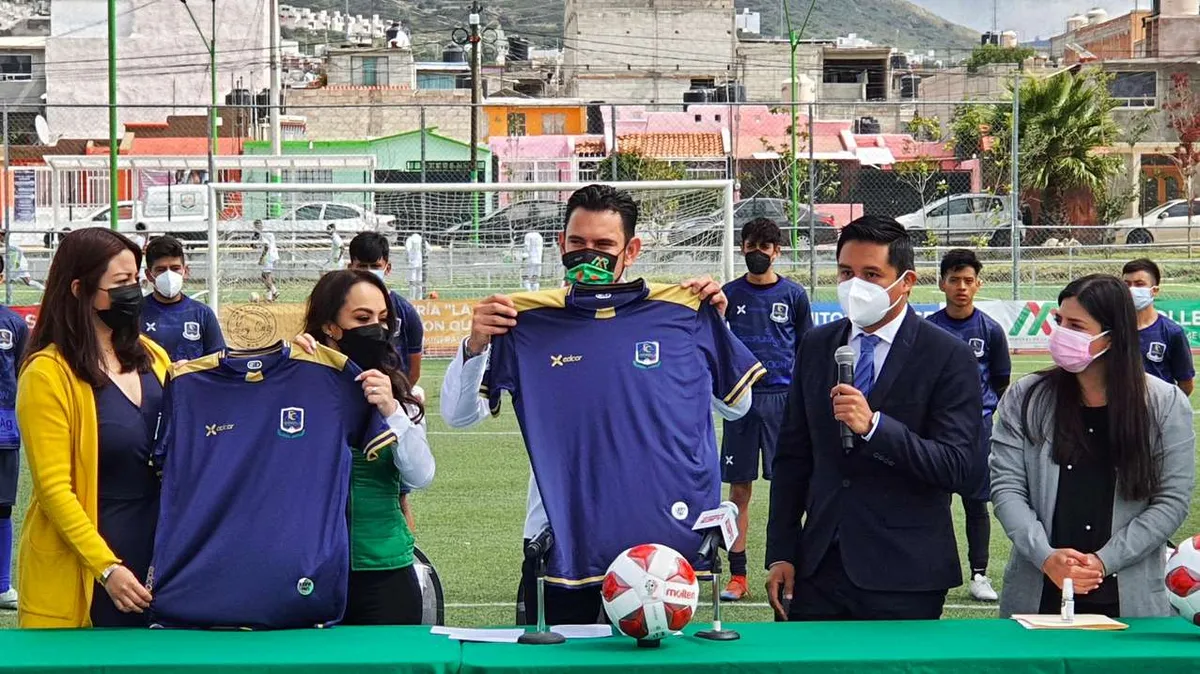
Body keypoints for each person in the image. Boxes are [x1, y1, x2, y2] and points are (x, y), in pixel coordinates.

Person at [441, 184, 741, 625]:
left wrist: (717, 328)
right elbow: (459, 415)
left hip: (659, 546)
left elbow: (737, 406)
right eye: (578, 242)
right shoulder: (526, 320)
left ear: (631, 250)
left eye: (603, 245)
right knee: (555, 659)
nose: (588, 255)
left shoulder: (681, 313)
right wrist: (476, 344)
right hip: (560, 541)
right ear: (561, 244)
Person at [765, 215, 983, 622]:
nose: (855, 286)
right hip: (817, 569)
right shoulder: (816, 346)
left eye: (871, 275)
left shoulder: (948, 356)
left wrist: (875, 428)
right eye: (846, 273)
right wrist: (781, 552)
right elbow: (792, 458)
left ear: (906, 281)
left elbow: (957, 467)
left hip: (905, 573)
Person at [991, 274, 1194, 618]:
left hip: (1129, 602)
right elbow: (1006, 487)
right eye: (1059, 321)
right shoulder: (1026, 396)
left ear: (1112, 336)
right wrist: (1046, 557)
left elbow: (1171, 501)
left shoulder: (1165, 403)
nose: (1061, 333)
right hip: (1037, 596)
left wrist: (1102, 561)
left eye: (1075, 325)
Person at [15, 228, 171, 628]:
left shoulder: (155, 357)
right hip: (89, 573)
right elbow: (53, 490)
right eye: (121, 282)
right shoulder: (47, 374)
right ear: (79, 289)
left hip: (162, 566)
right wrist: (107, 568)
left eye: (135, 279)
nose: (133, 292)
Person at [298, 269, 434, 624]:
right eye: (362, 318)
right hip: (307, 568)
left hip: (384, 569)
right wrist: (294, 368)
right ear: (330, 326)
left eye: (382, 318)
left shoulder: (398, 392)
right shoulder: (297, 382)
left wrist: (392, 411)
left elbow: (421, 475)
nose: (376, 328)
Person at [718, 217, 813, 602]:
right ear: (742, 248)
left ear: (776, 252)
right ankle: (737, 576)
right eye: (751, 245)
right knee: (739, 490)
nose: (756, 253)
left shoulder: (794, 295)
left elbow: (808, 350)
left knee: (791, 488)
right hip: (742, 401)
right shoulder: (728, 294)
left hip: (783, 401)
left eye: (764, 247)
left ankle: (792, 568)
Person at [926, 249, 1011, 603]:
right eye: (954, 280)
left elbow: (1001, 380)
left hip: (977, 431)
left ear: (978, 284)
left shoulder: (990, 330)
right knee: (934, 502)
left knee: (976, 504)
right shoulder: (927, 328)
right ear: (941, 283)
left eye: (968, 280)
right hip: (936, 431)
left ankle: (979, 574)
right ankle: (932, 570)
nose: (961, 287)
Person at [348, 232, 424, 385]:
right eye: (362, 266)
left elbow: (414, 371)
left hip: (391, 393)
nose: (369, 272)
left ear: (387, 268)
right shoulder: (337, 306)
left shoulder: (405, 311)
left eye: (375, 266)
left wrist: (398, 395)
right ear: (350, 268)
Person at [139, 235, 225, 363]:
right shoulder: (136, 313)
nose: (169, 275)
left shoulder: (202, 313)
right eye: (161, 270)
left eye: (175, 268)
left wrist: (190, 368)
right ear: (149, 275)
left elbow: (219, 361)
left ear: (186, 271)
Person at [0, 253, 29, 611]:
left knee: (2, 508)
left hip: (4, 432)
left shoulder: (14, 325)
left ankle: (2, 584)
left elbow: (26, 373)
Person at [1122, 258, 1194, 396]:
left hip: (1157, 408)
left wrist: (1167, 405)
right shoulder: (1111, 328)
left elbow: (1186, 384)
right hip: (1120, 406)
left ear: (1154, 291)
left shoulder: (1172, 332)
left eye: (1139, 284)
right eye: (1126, 284)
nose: (1131, 290)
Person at [253, 219, 280, 302]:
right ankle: (269, 297)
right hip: (274, 255)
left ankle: (274, 292)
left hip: (268, 256)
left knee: (265, 276)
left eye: (256, 226)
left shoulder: (263, 233)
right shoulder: (268, 232)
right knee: (266, 276)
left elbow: (266, 246)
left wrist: (262, 258)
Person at [405, 232, 424, 299]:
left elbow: (407, 250)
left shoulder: (410, 239)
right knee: (419, 281)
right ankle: (419, 298)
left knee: (413, 281)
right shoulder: (421, 238)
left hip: (413, 264)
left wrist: (408, 258)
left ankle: (412, 298)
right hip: (419, 263)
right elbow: (429, 249)